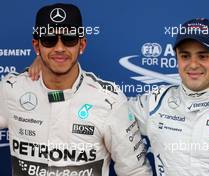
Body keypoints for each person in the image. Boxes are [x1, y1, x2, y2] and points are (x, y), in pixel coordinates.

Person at [28, 18, 209, 175]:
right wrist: (52, 63)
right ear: (176, 58)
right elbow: (102, 108)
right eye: (185, 56)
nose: (193, 65)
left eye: (203, 56)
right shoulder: (154, 102)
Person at [0, 3, 152, 176]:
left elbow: (135, 171)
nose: (59, 48)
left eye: (69, 39)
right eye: (49, 40)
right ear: (37, 46)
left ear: (82, 45)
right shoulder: (11, 89)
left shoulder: (110, 100)